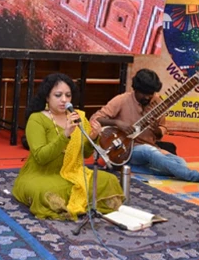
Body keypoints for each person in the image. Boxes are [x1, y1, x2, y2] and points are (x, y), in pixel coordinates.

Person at [12, 73, 124, 220]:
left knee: (109, 180)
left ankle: (81, 203)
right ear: (47, 97)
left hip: (73, 172)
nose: (64, 100)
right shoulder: (37, 119)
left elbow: (85, 155)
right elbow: (41, 157)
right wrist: (65, 135)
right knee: (45, 192)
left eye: (68, 95)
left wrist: (93, 137)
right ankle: (82, 202)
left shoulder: (78, 117)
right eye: (58, 95)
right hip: (44, 174)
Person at [91, 69, 199, 185]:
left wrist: (156, 129)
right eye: (144, 93)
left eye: (151, 93)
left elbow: (162, 128)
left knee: (180, 163)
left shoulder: (158, 103)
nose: (148, 97)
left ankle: (127, 167)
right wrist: (117, 123)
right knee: (149, 152)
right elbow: (95, 119)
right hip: (126, 149)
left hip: (151, 148)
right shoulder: (121, 100)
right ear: (135, 89)